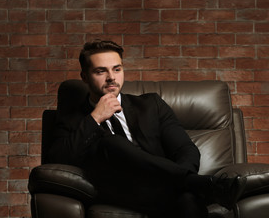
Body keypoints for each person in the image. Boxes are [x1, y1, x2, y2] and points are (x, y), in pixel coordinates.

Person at [48, 40, 246, 218]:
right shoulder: (74, 117)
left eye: (117, 69)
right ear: (84, 76)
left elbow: (185, 149)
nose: (111, 77)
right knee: (111, 142)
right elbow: (57, 158)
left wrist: (181, 179)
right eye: (101, 71)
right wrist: (95, 117)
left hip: (162, 187)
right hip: (119, 190)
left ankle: (191, 184)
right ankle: (202, 184)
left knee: (188, 200)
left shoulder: (151, 105)